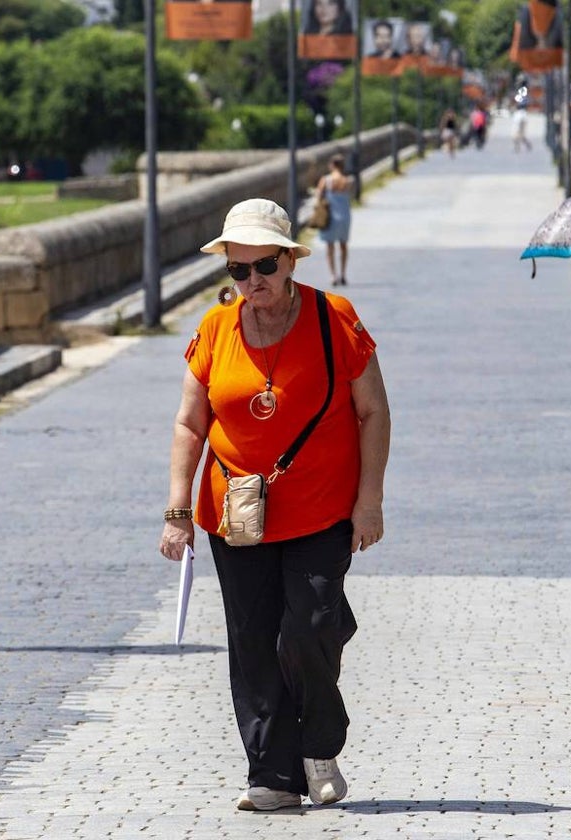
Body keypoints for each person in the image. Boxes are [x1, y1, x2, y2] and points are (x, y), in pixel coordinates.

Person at [159, 198, 391, 812]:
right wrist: (177, 511)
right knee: (254, 638)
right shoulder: (214, 329)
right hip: (237, 511)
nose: (252, 281)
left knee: (312, 625)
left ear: (290, 260)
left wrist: (370, 500)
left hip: (321, 508)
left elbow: (373, 410)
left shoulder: (333, 317)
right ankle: (273, 774)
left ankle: (318, 743)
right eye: (239, 270)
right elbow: (189, 423)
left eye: (264, 265)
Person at [315, 155, 354, 287]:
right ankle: (343, 274)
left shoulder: (326, 180)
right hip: (344, 216)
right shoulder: (347, 180)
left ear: (332, 165)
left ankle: (333, 275)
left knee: (330, 246)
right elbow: (351, 196)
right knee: (343, 246)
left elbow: (319, 196)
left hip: (330, 216)